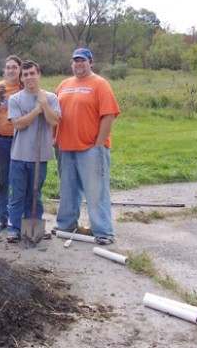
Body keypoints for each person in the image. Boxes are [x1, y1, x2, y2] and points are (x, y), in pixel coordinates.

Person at [55, 47, 121, 245]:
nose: (79, 64)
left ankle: (103, 232)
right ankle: (66, 225)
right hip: (65, 147)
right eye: (76, 61)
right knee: (67, 189)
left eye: (83, 60)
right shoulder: (64, 85)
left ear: (91, 63)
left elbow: (109, 114)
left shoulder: (100, 84)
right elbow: (54, 112)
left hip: (91, 148)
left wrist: (99, 143)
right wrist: (53, 138)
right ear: (72, 64)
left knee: (96, 191)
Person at [6, 60, 60, 243]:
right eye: (25, 74)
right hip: (19, 156)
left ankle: (34, 224)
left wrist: (44, 105)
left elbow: (54, 121)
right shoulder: (15, 99)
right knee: (18, 194)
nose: (29, 77)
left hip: (40, 157)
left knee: (35, 194)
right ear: (21, 77)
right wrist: (37, 110)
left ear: (39, 75)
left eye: (32, 73)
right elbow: (18, 124)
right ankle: (14, 228)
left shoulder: (51, 98)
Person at [0, 55, 23, 230]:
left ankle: (18, 216)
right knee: (3, 180)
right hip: (1, 139)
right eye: (8, 67)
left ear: (20, 69)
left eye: (14, 67)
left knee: (20, 179)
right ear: (4, 70)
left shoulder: (24, 86)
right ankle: (2, 217)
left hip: (21, 139)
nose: (11, 70)